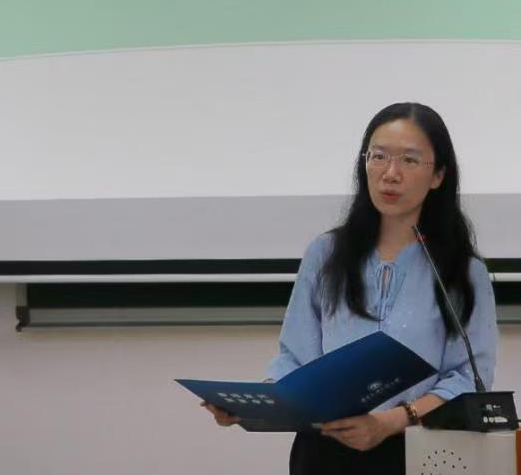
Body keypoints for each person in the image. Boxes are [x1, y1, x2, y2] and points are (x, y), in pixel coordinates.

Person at [203, 102, 498, 475]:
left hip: (416, 451)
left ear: (438, 175)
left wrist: (390, 421)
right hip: (323, 452)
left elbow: (468, 380)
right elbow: (295, 358)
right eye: (379, 157)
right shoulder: (325, 253)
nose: (390, 174)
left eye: (409, 160)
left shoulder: (462, 270)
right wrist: (254, 406)